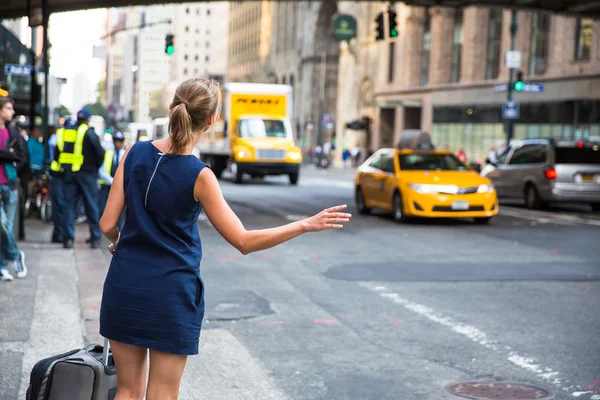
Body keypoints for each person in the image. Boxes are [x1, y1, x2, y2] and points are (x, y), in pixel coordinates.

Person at [98, 78, 351, 400]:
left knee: (128, 390)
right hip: (171, 292)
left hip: (124, 283)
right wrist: (304, 224)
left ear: (173, 107)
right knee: (162, 392)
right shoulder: (199, 175)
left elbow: (107, 223)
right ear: (212, 119)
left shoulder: (134, 153)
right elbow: (243, 241)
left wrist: (121, 240)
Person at [53, 108, 105, 249]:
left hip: (69, 175)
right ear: (87, 120)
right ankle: (95, 237)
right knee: (91, 206)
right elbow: (100, 154)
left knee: (68, 206)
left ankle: (68, 239)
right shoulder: (89, 133)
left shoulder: (66, 133)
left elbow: (58, 153)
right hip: (87, 174)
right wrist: (94, 168)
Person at [0, 97, 27, 281]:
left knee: (7, 226)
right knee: (2, 224)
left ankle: (2, 266)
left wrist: (10, 158)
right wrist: (8, 155)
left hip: (9, 183)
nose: (13, 112)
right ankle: (16, 255)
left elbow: (21, 156)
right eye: (9, 108)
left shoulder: (13, 132)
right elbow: (13, 155)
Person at [98, 131, 126, 230]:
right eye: (116, 141)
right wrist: (113, 181)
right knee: (102, 209)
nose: (117, 143)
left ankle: (119, 233)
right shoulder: (108, 153)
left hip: (121, 189)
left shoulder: (127, 154)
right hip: (106, 187)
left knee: (119, 212)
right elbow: (101, 171)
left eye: (120, 141)